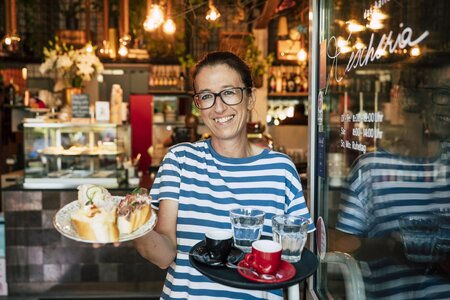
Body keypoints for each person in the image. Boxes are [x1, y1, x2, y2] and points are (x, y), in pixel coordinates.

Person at [133, 51, 315, 300]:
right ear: (198, 105)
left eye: (229, 92)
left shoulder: (281, 169)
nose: (218, 107)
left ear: (250, 98)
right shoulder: (179, 161)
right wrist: (132, 222)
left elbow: (294, 259)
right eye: (207, 96)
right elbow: (163, 257)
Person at [335, 66, 450, 299]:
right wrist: (385, 247)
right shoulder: (372, 168)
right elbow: (334, 247)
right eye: (443, 92)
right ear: (410, 99)